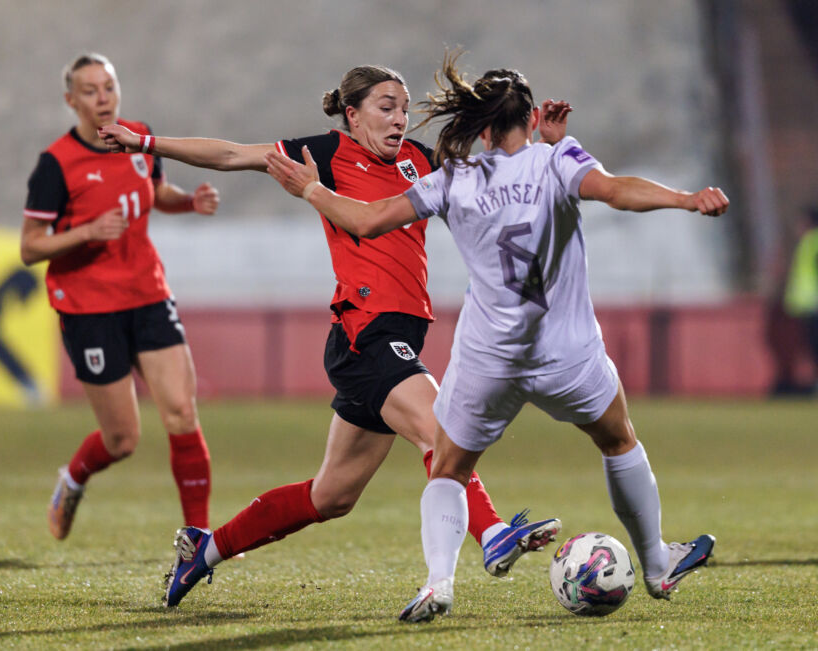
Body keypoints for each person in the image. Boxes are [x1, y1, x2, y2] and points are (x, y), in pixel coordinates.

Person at [265, 51, 727, 622]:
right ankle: (656, 562)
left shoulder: (455, 177)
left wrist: (312, 189)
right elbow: (615, 191)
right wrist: (684, 198)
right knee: (618, 441)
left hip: (490, 361)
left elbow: (365, 221)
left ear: (479, 127)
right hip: (567, 356)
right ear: (532, 120)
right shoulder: (558, 160)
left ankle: (438, 584)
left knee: (448, 471)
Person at [100, 65, 570, 608]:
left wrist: (540, 145)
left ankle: (203, 552)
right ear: (353, 114)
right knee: (442, 430)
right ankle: (493, 537)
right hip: (363, 335)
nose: (399, 118)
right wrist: (144, 142)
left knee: (331, 496)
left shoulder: (421, 161)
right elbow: (231, 154)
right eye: (385, 106)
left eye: (403, 107)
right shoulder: (323, 155)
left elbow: (499, 180)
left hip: (398, 339)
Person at [21, 53, 220, 542]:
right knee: (122, 439)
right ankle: (72, 478)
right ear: (71, 101)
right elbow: (29, 247)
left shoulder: (137, 138)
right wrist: (87, 231)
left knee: (180, 411)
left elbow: (156, 192)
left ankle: (198, 540)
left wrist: (189, 202)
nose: (102, 98)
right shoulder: (56, 165)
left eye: (108, 86)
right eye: (89, 91)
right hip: (89, 309)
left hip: (148, 293)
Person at [782, 206, 818, 390]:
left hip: (813, 305)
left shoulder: (813, 242)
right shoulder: (808, 242)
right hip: (807, 307)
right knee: (811, 347)